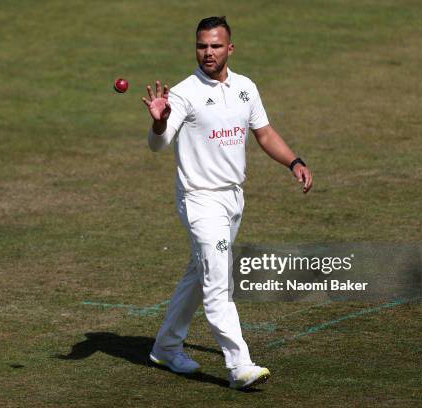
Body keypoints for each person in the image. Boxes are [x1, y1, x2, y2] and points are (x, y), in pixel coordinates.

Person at [141, 16, 313, 390]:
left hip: (233, 199)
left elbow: (264, 134)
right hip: (199, 200)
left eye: (215, 46)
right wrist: (158, 123)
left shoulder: (245, 88)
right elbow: (159, 145)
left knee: (198, 272)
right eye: (202, 46)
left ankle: (167, 346)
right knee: (219, 284)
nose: (208, 52)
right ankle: (239, 366)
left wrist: (294, 162)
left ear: (229, 49)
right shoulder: (183, 93)